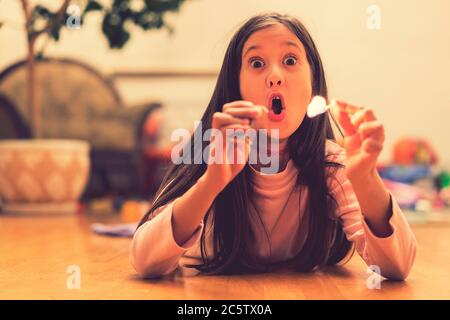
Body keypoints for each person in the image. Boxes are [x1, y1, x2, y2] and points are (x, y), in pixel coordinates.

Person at [130, 12, 416, 280]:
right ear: (235, 87)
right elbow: (144, 261)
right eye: (256, 63)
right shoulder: (211, 154)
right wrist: (211, 182)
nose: (275, 75)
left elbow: (397, 267)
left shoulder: (331, 165)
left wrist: (365, 180)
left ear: (313, 83)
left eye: (290, 60)